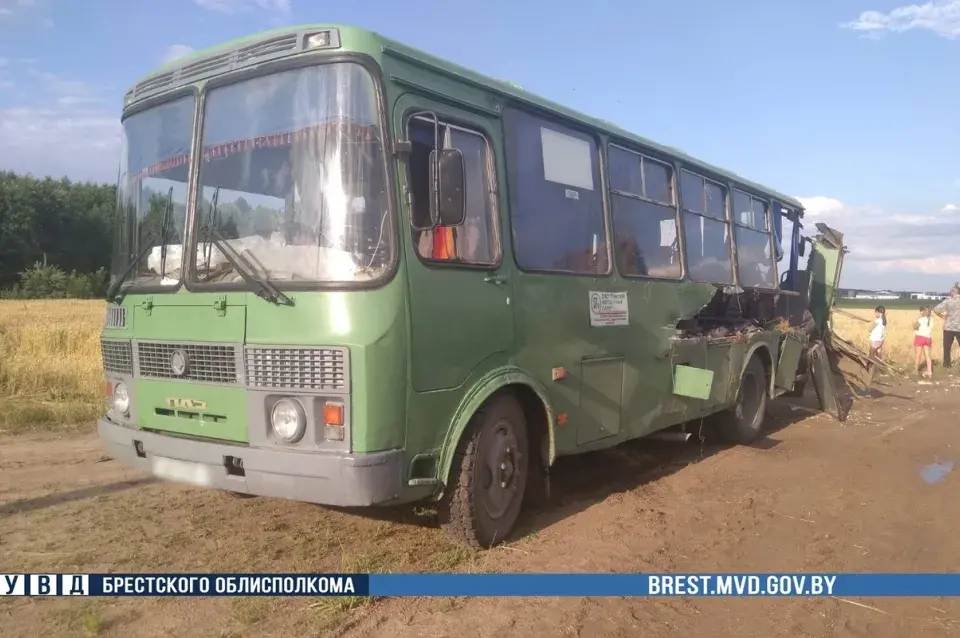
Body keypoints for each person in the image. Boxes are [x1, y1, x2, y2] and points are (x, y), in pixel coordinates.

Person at [933, 285, 960, 369]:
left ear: (952, 292)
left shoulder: (948, 301)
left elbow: (936, 309)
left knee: (947, 347)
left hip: (948, 327)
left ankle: (946, 365)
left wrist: (942, 316)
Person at [914, 305, 934, 378]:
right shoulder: (931, 319)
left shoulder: (921, 319)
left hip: (919, 337)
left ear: (922, 311)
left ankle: (916, 371)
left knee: (918, 355)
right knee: (928, 356)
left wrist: (917, 318)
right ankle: (929, 371)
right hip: (928, 338)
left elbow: (915, 327)